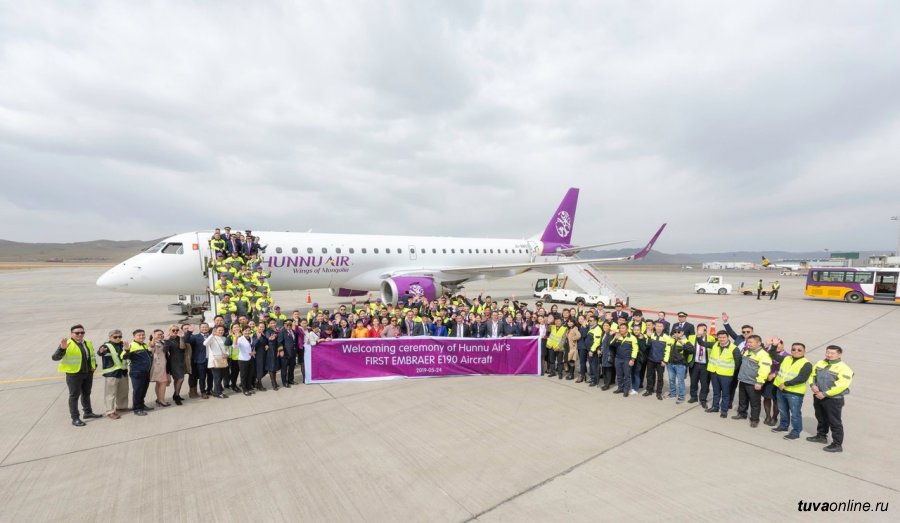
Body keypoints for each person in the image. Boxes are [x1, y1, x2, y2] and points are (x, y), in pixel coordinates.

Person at [807, 345, 854, 452]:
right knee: (821, 417)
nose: (829, 355)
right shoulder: (820, 363)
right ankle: (821, 436)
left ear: (839, 354)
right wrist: (812, 385)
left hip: (833, 399)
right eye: (827, 352)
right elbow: (812, 375)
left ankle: (837, 444)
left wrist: (825, 394)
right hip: (818, 396)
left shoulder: (844, 368)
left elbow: (841, 386)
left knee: (834, 421)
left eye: (832, 353)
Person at [52, 324, 100, 426]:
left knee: (86, 393)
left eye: (82, 332)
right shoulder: (67, 344)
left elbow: (91, 356)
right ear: (71, 334)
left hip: (88, 373)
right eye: (77, 333)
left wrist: (94, 366)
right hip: (74, 374)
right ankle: (75, 418)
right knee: (74, 396)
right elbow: (55, 357)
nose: (80, 334)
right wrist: (62, 349)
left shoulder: (87, 342)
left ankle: (88, 412)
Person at [772, 342, 813, 440]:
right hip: (781, 390)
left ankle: (796, 432)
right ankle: (783, 426)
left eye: (799, 350)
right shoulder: (786, 358)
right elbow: (772, 354)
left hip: (794, 393)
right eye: (793, 349)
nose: (796, 351)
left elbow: (802, 378)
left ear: (804, 351)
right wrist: (774, 345)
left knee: (795, 413)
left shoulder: (807, 364)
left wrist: (786, 384)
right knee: (782, 410)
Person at [732, 335, 772, 428]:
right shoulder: (748, 351)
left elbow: (764, 370)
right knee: (742, 399)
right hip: (743, 380)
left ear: (758, 343)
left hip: (753, 382)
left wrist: (759, 382)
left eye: (751, 342)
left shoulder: (763, 355)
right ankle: (742, 414)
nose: (748, 344)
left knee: (755, 403)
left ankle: (754, 419)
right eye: (748, 342)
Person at [706, 330, 740, 418]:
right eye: (720, 337)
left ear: (728, 337)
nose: (722, 339)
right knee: (716, 392)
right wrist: (699, 336)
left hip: (726, 375)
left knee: (725, 393)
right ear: (717, 338)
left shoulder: (734, 348)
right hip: (714, 373)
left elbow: (737, 363)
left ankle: (724, 410)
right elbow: (702, 343)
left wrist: (730, 371)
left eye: (724, 337)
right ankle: (715, 407)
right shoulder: (715, 345)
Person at [96, 329, 129, 420]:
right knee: (110, 394)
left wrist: (127, 350)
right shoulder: (106, 346)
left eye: (120, 336)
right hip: (112, 373)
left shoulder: (123, 345)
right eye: (115, 337)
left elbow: (126, 356)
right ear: (110, 337)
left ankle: (121, 407)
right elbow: (100, 352)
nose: (118, 338)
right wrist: (101, 351)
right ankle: (110, 411)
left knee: (123, 391)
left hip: (123, 372)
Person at [125, 329, 154, 415]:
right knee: (138, 391)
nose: (141, 336)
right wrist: (127, 350)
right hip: (137, 372)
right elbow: (124, 357)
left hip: (146, 372)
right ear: (134, 337)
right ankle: (137, 409)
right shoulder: (131, 345)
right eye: (139, 335)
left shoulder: (144, 345)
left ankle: (141, 405)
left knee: (143, 390)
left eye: (143, 335)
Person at [762, 337, 789, 426]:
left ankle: (774, 417)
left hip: (778, 380)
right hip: (767, 379)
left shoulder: (787, 356)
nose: (777, 347)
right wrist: (766, 345)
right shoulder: (770, 352)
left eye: (779, 345)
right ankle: (767, 416)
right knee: (766, 398)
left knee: (776, 400)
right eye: (775, 345)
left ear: (783, 345)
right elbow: (761, 355)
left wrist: (774, 374)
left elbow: (787, 369)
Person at [687, 324, 715, 409]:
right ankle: (693, 397)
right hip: (694, 364)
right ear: (697, 330)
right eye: (700, 329)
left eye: (704, 330)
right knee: (693, 382)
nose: (702, 331)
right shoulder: (691, 337)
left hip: (705, 365)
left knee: (705, 383)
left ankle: (703, 399)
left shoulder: (711, 338)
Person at [645, 321, 672, 400]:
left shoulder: (667, 337)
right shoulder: (651, 335)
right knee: (649, 376)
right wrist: (649, 337)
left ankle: (659, 392)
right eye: (657, 326)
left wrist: (665, 361)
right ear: (654, 327)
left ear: (663, 328)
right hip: (651, 359)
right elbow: (648, 346)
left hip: (660, 361)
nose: (658, 328)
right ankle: (649, 390)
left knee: (660, 378)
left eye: (660, 326)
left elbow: (668, 350)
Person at [610, 323, 638, 397]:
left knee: (627, 375)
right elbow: (611, 344)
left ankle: (626, 390)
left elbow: (635, 349)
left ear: (627, 329)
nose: (621, 329)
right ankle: (620, 388)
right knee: (619, 375)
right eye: (620, 328)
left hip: (627, 359)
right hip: (618, 358)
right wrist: (616, 338)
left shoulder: (632, 338)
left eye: (623, 328)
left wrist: (632, 359)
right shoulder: (618, 336)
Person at [666, 327, 692, 404]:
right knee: (671, 380)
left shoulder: (686, 341)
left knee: (680, 381)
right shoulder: (671, 339)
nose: (676, 333)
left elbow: (691, 350)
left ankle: (681, 396)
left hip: (680, 364)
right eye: (675, 332)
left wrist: (682, 343)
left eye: (679, 332)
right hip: (670, 363)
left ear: (682, 332)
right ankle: (672, 394)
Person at [167, 324, 192, 405]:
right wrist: (166, 341)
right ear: (170, 331)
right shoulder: (168, 339)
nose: (175, 331)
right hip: (174, 361)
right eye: (173, 330)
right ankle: (176, 395)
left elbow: (182, 347)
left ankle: (176, 394)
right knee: (180, 379)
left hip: (182, 361)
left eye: (177, 330)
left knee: (177, 379)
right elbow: (165, 350)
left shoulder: (180, 337)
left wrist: (181, 338)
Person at [204, 325, 230, 398]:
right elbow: (205, 343)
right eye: (219, 330)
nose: (221, 331)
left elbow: (227, 348)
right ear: (215, 331)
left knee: (220, 376)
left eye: (222, 330)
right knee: (217, 377)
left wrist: (227, 354)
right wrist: (212, 335)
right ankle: (218, 393)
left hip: (223, 360)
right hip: (215, 361)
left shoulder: (224, 338)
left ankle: (216, 391)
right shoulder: (212, 338)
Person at [188, 323, 211, 399]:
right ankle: (203, 392)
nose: (204, 328)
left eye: (206, 327)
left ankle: (209, 390)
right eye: (203, 327)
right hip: (201, 361)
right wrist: (189, 332)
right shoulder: (195, 337)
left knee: (211, 377)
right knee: (202, 377)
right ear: (199, 328)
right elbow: (187, 341)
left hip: (211, 360)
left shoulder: (212, 336)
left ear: (208, 328)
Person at [150, 329, 171, 407]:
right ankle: (162, 400)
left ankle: (159, 399)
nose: (161, 335)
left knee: (159, 383)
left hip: (164, 366)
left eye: (162, 334)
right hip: (159, 366)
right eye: (158, 334)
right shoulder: (154, 343)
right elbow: (151, 347)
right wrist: (153, 340)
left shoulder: (162, 342)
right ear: (153, 335)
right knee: (163, 383)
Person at [236, 326, 255, 395]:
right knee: (244, 375)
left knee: (250, 374)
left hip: (251, 358)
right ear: (242, 331)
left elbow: (252, 347)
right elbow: (234, 346)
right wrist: (236, 338)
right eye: (245, 330)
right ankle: (244, 389)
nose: (247, 332)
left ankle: (249, 387)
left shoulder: (251, 338)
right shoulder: (240, 339)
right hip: (243, 359)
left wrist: (253, 352)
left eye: (248, 330)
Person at [279, 319, 297, 387]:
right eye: (287, 325)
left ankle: (290, 380)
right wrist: (281, 350)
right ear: (284, 325)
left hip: (293, 352)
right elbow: (279, 342)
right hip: (285, 353)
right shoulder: (282, 332)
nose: (289, 326)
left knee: (291, 367)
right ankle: (284, 382)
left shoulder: (293, 331)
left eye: (290, 325)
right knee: (284, 368)